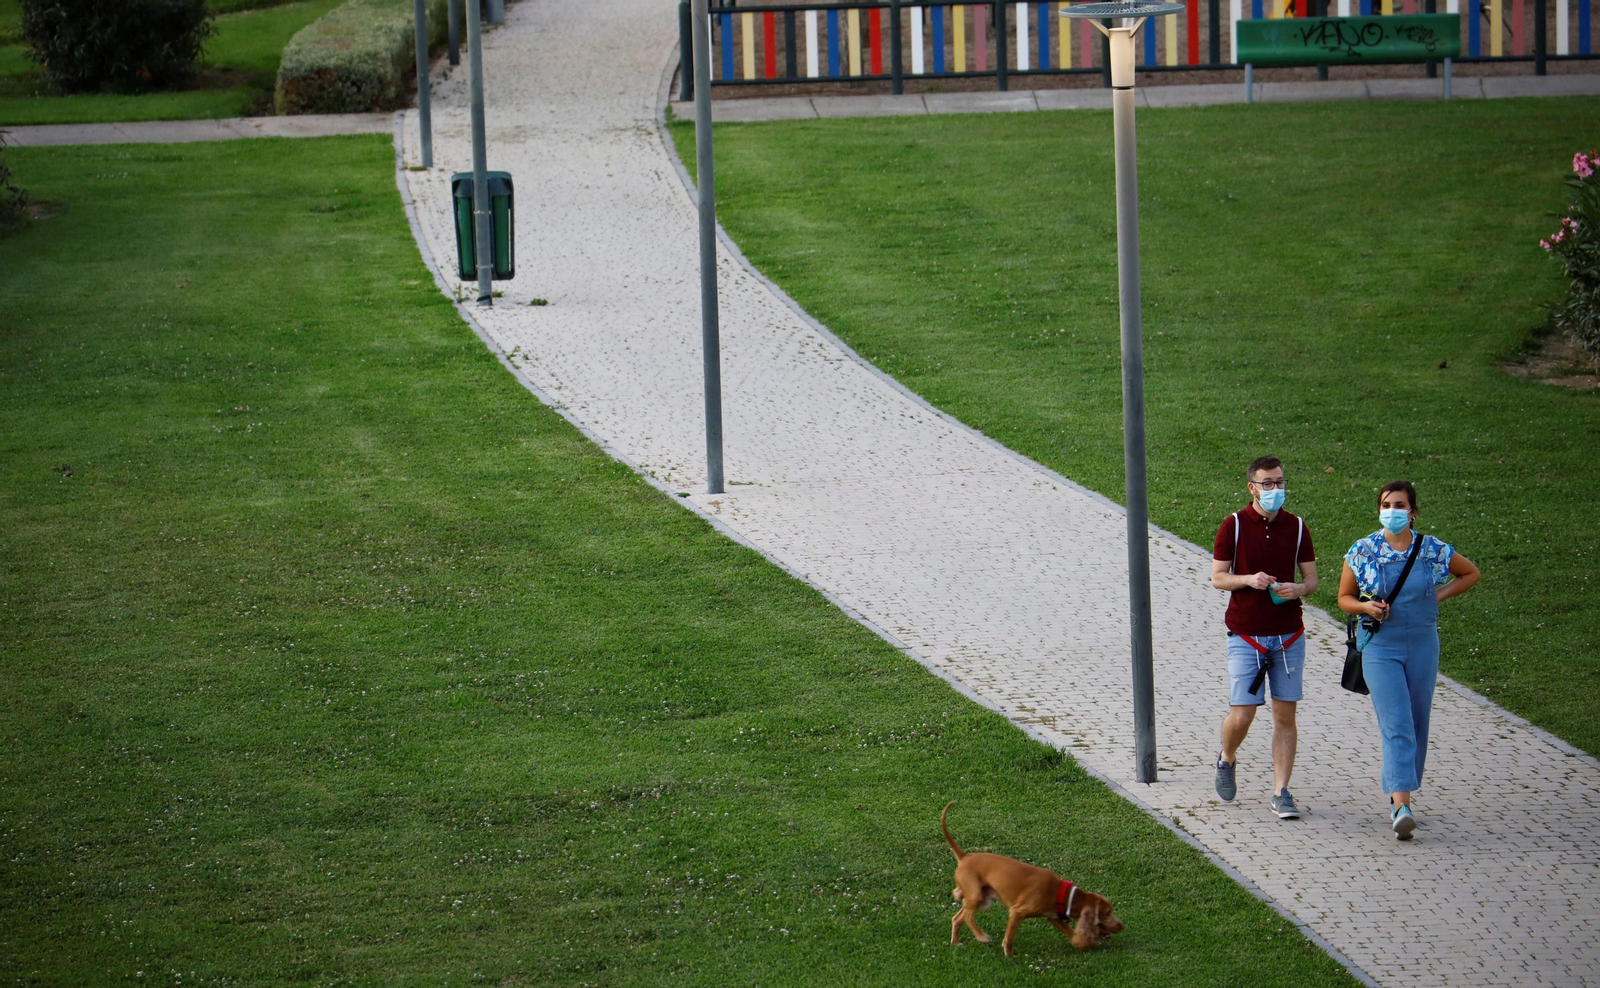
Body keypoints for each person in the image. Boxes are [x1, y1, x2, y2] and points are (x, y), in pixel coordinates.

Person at [1338, 480, 1480, 840]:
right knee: (1398, 722)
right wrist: (1366, 607)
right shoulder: (1362, 550)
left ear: (1413, 512)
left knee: (1417, 722)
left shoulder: (1431, 549)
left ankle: (1401, 793)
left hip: (1422, 644)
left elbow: (1471, 573)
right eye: (1386, 505)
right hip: (1380, 647)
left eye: (1399, 505)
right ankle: (1401, 806)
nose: (1392, 511)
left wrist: (1437, 596)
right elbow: (1344, 598)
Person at [1209, 456, 1318, 820]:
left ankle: (1281, 791)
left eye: (1280, 482)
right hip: (1246, 635)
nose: (1275, 489)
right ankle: (1227, 757)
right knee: (1243, 714)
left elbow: (1312, 581)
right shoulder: (1234, 525)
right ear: (1252, 488)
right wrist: (1248, 579)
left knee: (1285, 715)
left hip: (1288, 636)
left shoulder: (1297, 527)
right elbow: (1218, 577)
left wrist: (1297, 588)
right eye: (1267, 483)